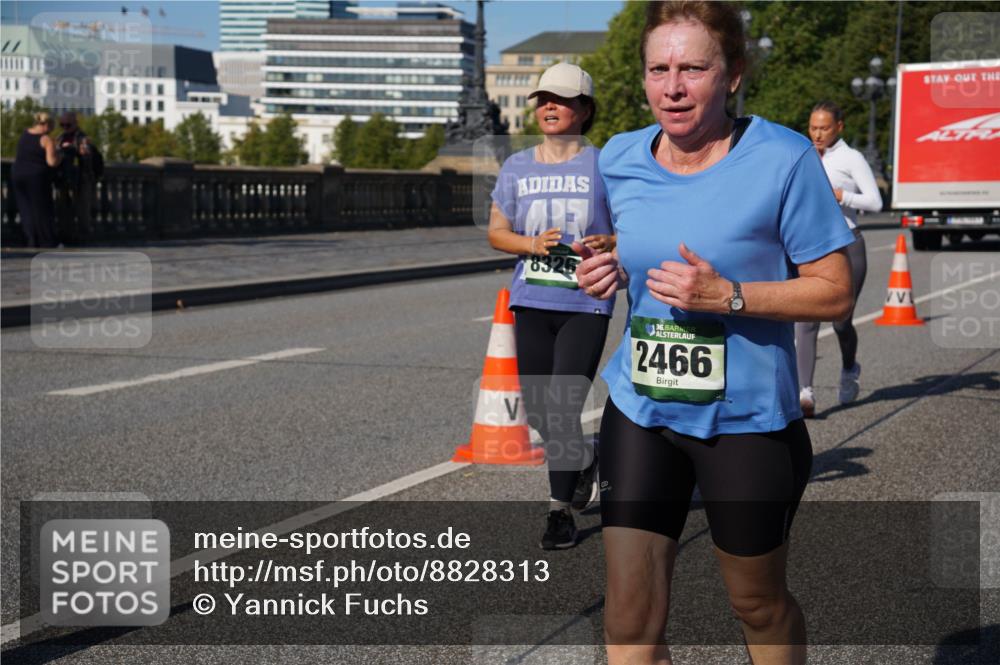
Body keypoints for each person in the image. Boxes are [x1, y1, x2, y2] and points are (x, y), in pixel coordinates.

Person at [574, 2, 854, 663]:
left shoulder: (783, 158)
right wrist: (611, 261)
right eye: (658, 69)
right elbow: (638, 238)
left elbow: (836, 288)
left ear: (732, 74)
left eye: (694, 68)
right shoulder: (618, 157)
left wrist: (724, 295)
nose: (672, 87)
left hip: (748, 421)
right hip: (641, 409)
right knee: (629, 615)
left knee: (757, 603)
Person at [488, 62, 616, 550]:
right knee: (541, 411)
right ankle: (583, 459)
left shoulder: (605, 165)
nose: (549, 106)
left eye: (560, 100)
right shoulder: (517, 165)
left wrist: (615, 242)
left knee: (563, 405)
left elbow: (636, 227)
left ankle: (559, 511)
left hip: (586, 303)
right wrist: (531, 245)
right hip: (532, 301)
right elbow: (497, 234)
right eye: (543, 99)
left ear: (584, 109)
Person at [796, 101, 881, 417]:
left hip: (848, 245)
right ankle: (804, 392)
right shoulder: (803, 154)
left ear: (839, 128)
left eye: (824, 128)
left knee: (841, 321)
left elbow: (875, 202)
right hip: (812, 247)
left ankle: (849, 368)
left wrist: (842, 196)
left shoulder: (851, 158)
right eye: (813, 127)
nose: (817, 134)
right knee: (805, 319)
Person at [12, 111, 61, 248]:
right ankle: (46, 240)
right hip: (36, 177)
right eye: (52, 126)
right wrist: (60, 155)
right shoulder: (46, 139)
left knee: (25, 209)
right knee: (41, 209)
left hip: (18, 174)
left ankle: (30, 239)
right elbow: (51, 162)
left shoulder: (25, 134)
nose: (52, 130)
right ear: (47, 125)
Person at [55, 111, 98, 243]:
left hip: (81, 178)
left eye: (68, 124)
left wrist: (76, 149)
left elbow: (87, 156)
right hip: (64, 177)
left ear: (75, 123)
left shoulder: (83, 137)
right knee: (63, 209)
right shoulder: (60, 137)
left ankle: (84, 237)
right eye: (62, 124)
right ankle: (66, 235)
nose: (65, 127)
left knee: (82, 209)